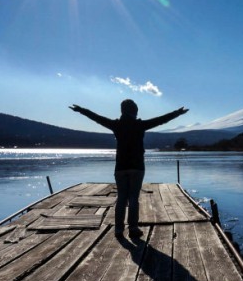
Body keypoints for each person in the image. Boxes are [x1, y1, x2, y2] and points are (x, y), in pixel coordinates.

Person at [70, 100, 189, 238]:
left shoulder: (116, 125)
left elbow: (97, 118)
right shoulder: (140, 125)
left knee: (121, 198)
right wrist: (178, 113)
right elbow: (161, 120)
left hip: (120, 167)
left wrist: (81, 110)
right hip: (137, 167)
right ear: (135, 111)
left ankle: (119, 230)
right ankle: (133, 228)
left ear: (122, 111)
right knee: (133, 198)